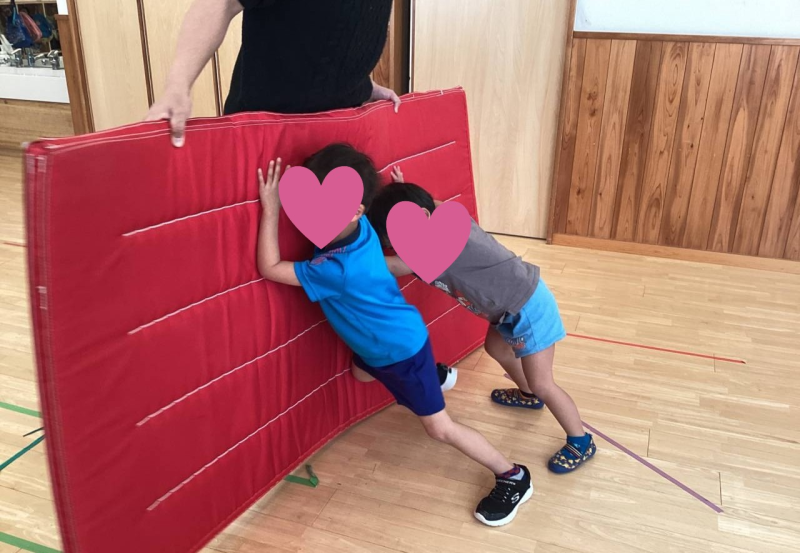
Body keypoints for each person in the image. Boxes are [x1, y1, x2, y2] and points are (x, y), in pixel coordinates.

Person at [256, 144, 532, 526]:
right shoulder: (360, 230)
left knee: (439, 429)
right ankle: (433, 375)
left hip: (399, 350)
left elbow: (270, 267)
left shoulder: (335, 269)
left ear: (355, 210)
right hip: (384, 345)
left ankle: (512, 476)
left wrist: (270, 210)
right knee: (360, 374)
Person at [367, 168, 597, 475]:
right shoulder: (436, 221)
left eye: (398, 237)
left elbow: (395, 266)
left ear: (422, 217)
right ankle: (528, 395)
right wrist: (403, 191)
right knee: (496, 348)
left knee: (543, 383)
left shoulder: (441, 238)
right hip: (506, 311)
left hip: (528, 306)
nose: (398, 246)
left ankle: (581, 440)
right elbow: (429, 206)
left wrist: (349, 253)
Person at [145, 0, 402, 147]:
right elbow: (221, 3)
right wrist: (178, 85)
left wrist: (359, 84)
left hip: (337, 131)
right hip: (264, 133)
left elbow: (344, 24)